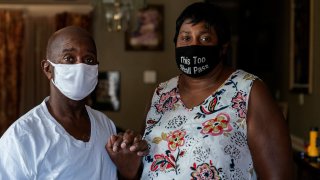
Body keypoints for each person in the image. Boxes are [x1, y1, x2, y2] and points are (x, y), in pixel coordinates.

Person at [141, 2, 294, 179]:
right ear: (176, 42)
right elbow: (142, 162)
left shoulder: (249, 91)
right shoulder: (161, 93)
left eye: (205, 38)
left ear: (223, 47)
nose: (193, 45)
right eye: (186, 37)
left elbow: (279, 175)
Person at [0, 26, 148, 179]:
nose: (81, 66)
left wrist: (128, 171)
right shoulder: (21, 138)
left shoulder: (105, 125)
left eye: (89, 59)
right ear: (48, 69)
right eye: (69, 58)